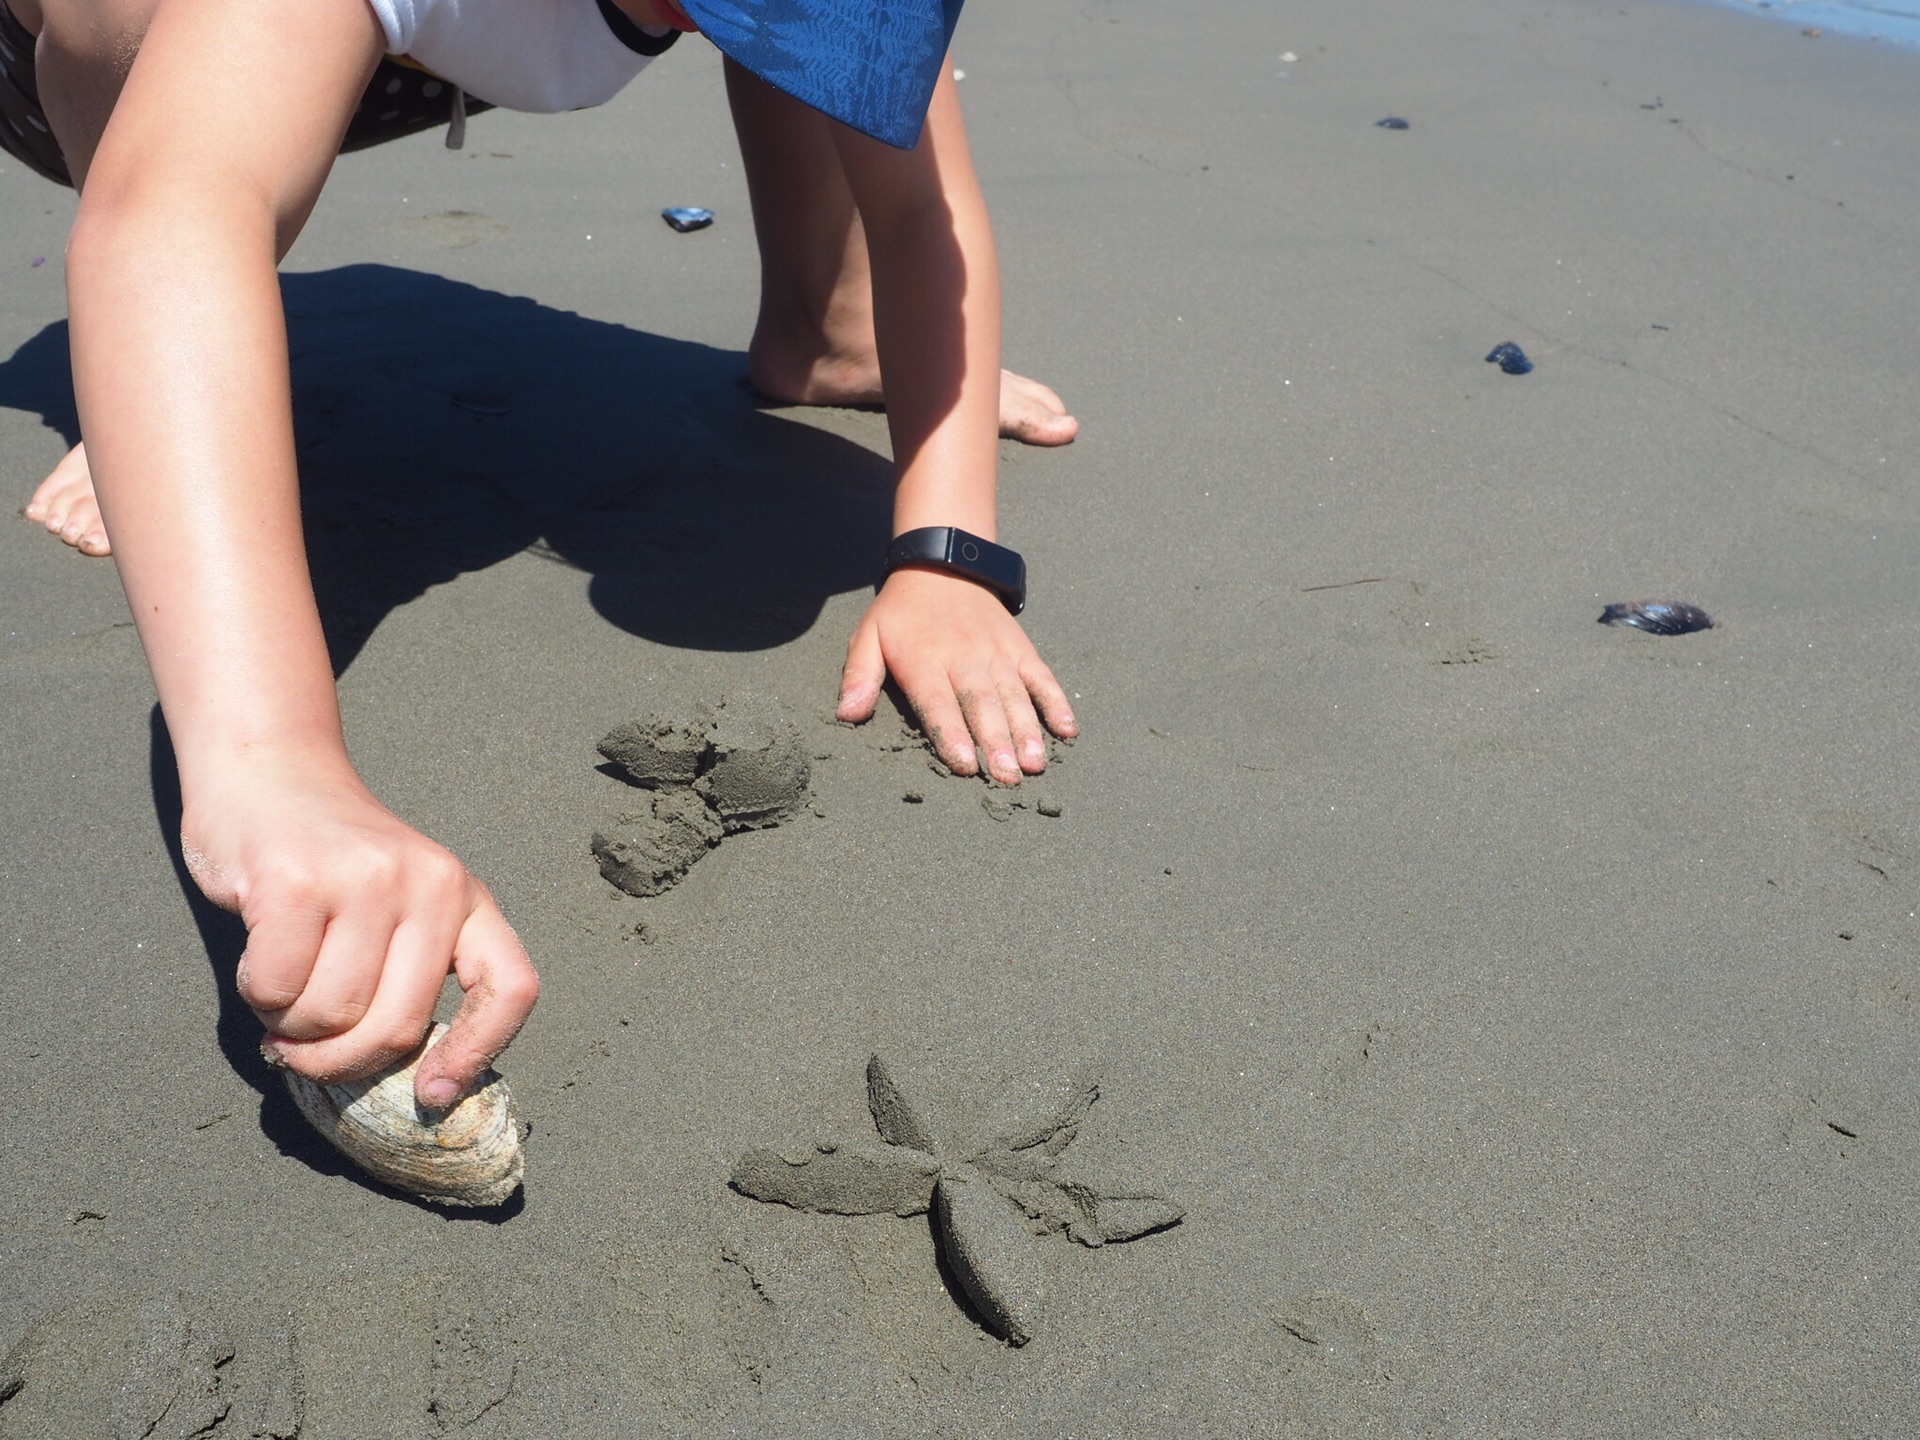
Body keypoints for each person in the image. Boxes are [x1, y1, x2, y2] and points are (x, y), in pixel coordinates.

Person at [2, 0, 1080, 1110]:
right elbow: (172, 216)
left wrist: (947, 552)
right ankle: (142, 403)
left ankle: (833, 335)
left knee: (805, 39)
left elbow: (921, 215)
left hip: (427, 46)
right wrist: (271, 766)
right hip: (73, 70)